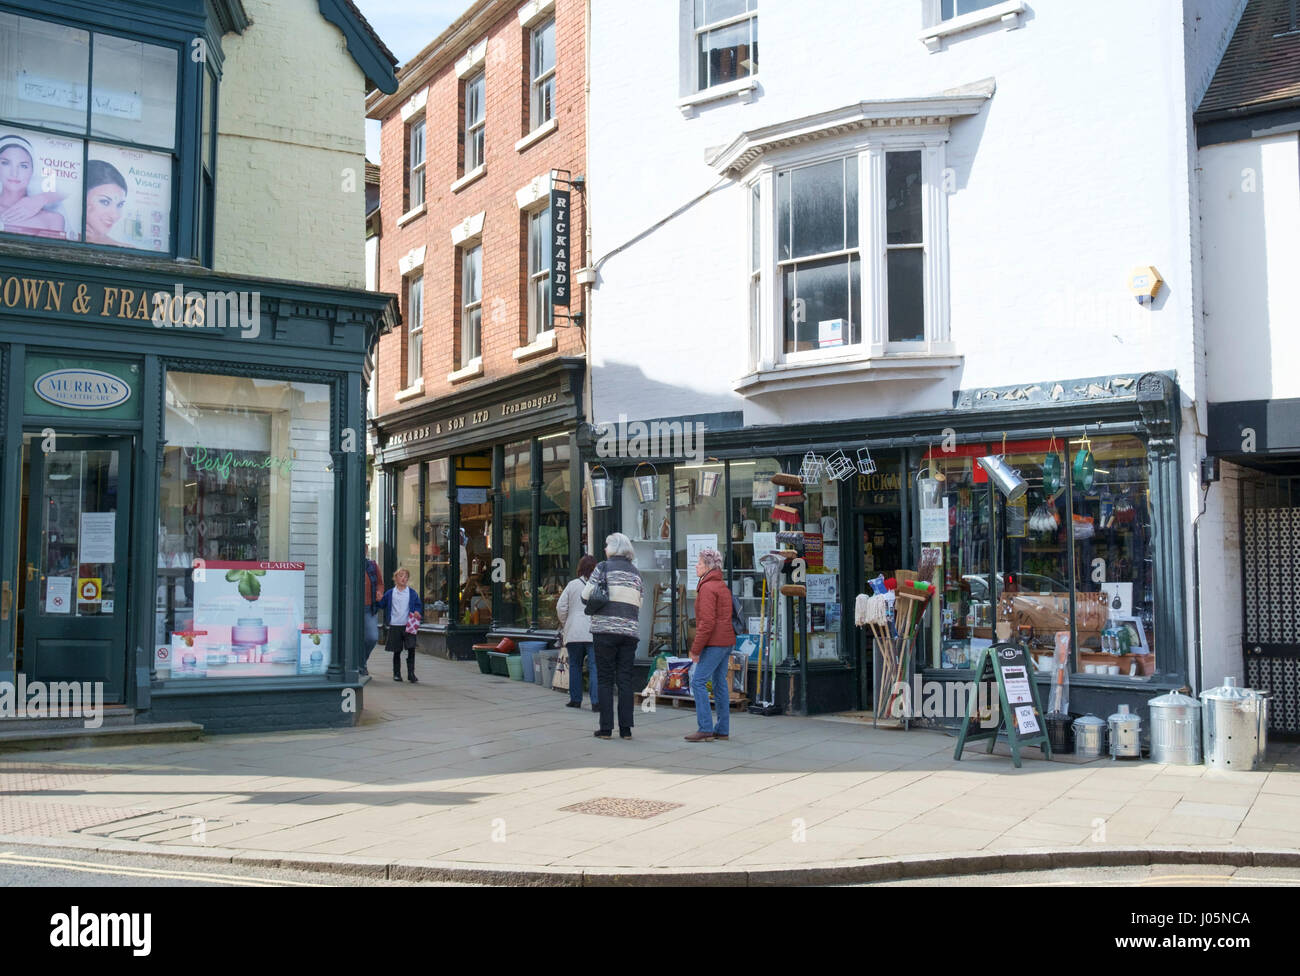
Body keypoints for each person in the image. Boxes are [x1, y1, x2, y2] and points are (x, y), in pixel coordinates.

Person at [583, 533, 642, 740]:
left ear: (614, 548)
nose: (605, 548)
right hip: (629, 632)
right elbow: (639, 602)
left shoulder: (602, 567)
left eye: (607, 545)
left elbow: (586, 595)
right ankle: (626, 730)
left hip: (605, 631)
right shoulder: (636, 573)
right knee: (625, 680)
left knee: (605, 679)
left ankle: (606, 729)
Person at [685, 547, 736, 742]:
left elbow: (706, 624)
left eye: (698, 563)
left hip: (715, 642)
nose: (696, 566)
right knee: (720, 683)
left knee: (698, 681)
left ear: (707, 566)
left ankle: (705, 727)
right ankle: (722, 729)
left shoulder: (707, 588)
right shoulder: (721, 585)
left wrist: (695, 649)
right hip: (726, 641)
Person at [0, 134, 65, 238]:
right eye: (5, 163)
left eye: (23, 166)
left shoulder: (52, 219)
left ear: (32, 171)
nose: (14, 173)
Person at [556, 554, 599, 712]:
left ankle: (575, 700)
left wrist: (566, 622)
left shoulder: (572, 585)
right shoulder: (598, 585)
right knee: (595, 666)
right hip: (593, 631)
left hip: (574, 631)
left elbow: (561, 607)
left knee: (574, 665)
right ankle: (596, 702)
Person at [377, 567, 422, 683]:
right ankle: (396, 674)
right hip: (395, 624)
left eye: (406, 576)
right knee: (397, 651)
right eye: (401, 576)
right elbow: (382, 605)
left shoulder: (411, 593)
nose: (404, 578)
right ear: (395, 578)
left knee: (411, 649)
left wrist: (417, 611)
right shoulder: (390, 593)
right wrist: (379, 599)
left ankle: (411, 673)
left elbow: (418, 605)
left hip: (409, 625)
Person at [83, 159, 128, 246]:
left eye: (120, 205)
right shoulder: (57, 234)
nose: (115, 215)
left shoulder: (126, 250)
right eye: (105, 202)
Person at [361, 547, 384, 676]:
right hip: (352, 609)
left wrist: (379, 592)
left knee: (372, 637)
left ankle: (362, 661)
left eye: (364, 549)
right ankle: (360, 665)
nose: (363, 551)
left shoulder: (372, 565)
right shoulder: (350, 564)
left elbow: (380, 583)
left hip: (369, 607)